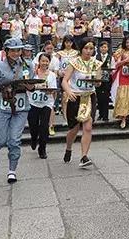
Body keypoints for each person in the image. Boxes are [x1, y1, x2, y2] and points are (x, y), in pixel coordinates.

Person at [0, 38, 34, 184]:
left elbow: (33, 82)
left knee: (14, 139)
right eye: (13, 50)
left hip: (21, 105)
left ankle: (12, 170)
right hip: (3, 104)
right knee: (0, 139)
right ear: (6, 51)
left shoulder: (28, 65)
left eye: (18, 50)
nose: (16, 53)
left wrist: (31, 86)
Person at [61, 37, 102, 168]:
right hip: (75, 97)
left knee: (88, 126)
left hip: (89, 96)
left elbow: (99, 81)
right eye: (86, 48)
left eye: (91, 48)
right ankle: (68, 147)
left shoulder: (96, 63)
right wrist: (68, 91)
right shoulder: (74, 63)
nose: (89, 51)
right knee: (73, 128)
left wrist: (97, 81)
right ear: (81, 49)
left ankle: (84, 156)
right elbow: (64, 81)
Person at [28, 53, 57, 159]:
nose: (44, 63)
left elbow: (53, 90)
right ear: (39, 62)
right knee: (33, 125)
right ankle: (34, 138)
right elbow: (27, 85)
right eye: (42, 61)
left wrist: (47, 90)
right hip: (33, 102)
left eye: (46, 61)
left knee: (44, 127)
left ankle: (42, 148)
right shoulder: (33, 73)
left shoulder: (52, 75)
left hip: (46, 103)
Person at [111, 35, 129, 129]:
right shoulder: (121, 51)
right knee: (123, 95)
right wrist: (125, 61)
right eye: (127, 42)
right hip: (123, 75)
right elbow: (116, 64)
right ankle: (123, 117)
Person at [95, 41, 112, 121]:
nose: (103, 48)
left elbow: (113, 67)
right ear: (99, 48)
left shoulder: (110, 57)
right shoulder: (96, 57)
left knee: (106, 97)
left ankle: (105, 116)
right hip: (98, 79)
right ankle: (100, 114)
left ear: (107, 48)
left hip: (107, 79)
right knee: (99, 97)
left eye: (105, 47)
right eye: (102, 47)